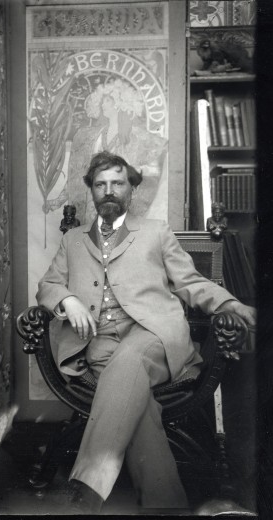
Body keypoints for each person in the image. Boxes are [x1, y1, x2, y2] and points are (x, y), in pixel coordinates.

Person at [36, 151, 256, 514]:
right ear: (91, 190)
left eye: (117, 183)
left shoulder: (156, 232)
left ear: (131, 188)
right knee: (134, 405)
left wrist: (235, 307)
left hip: (153, 334)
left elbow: (192, 283)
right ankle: (166, 505)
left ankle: (87, 488)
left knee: (129, 361)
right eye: (101, 184)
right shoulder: (73, 240)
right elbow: (47, 285)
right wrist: (68, 300)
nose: (109, 191)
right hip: (98, 341)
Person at [44, 78, 167, 223]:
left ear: (120, 104)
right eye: (102, 101)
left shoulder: (136, 137)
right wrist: (59, 200)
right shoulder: (91, 136)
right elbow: (78, 173)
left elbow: (157, 158)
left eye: (108, 101)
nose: (103, 104)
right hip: (93, 205)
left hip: (119, 206)